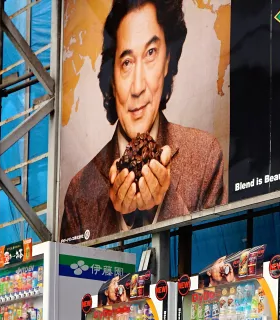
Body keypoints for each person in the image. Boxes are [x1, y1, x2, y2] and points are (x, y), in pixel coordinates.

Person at [60, 0, 225, 242]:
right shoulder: (78, 191)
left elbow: (216, 257)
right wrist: (121, 219)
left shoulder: (205, 157)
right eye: (126, 62)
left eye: (150, 54)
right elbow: (77, 275)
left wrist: (162, 203)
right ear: (112, 77)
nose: (137, 87)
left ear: (168, 61)